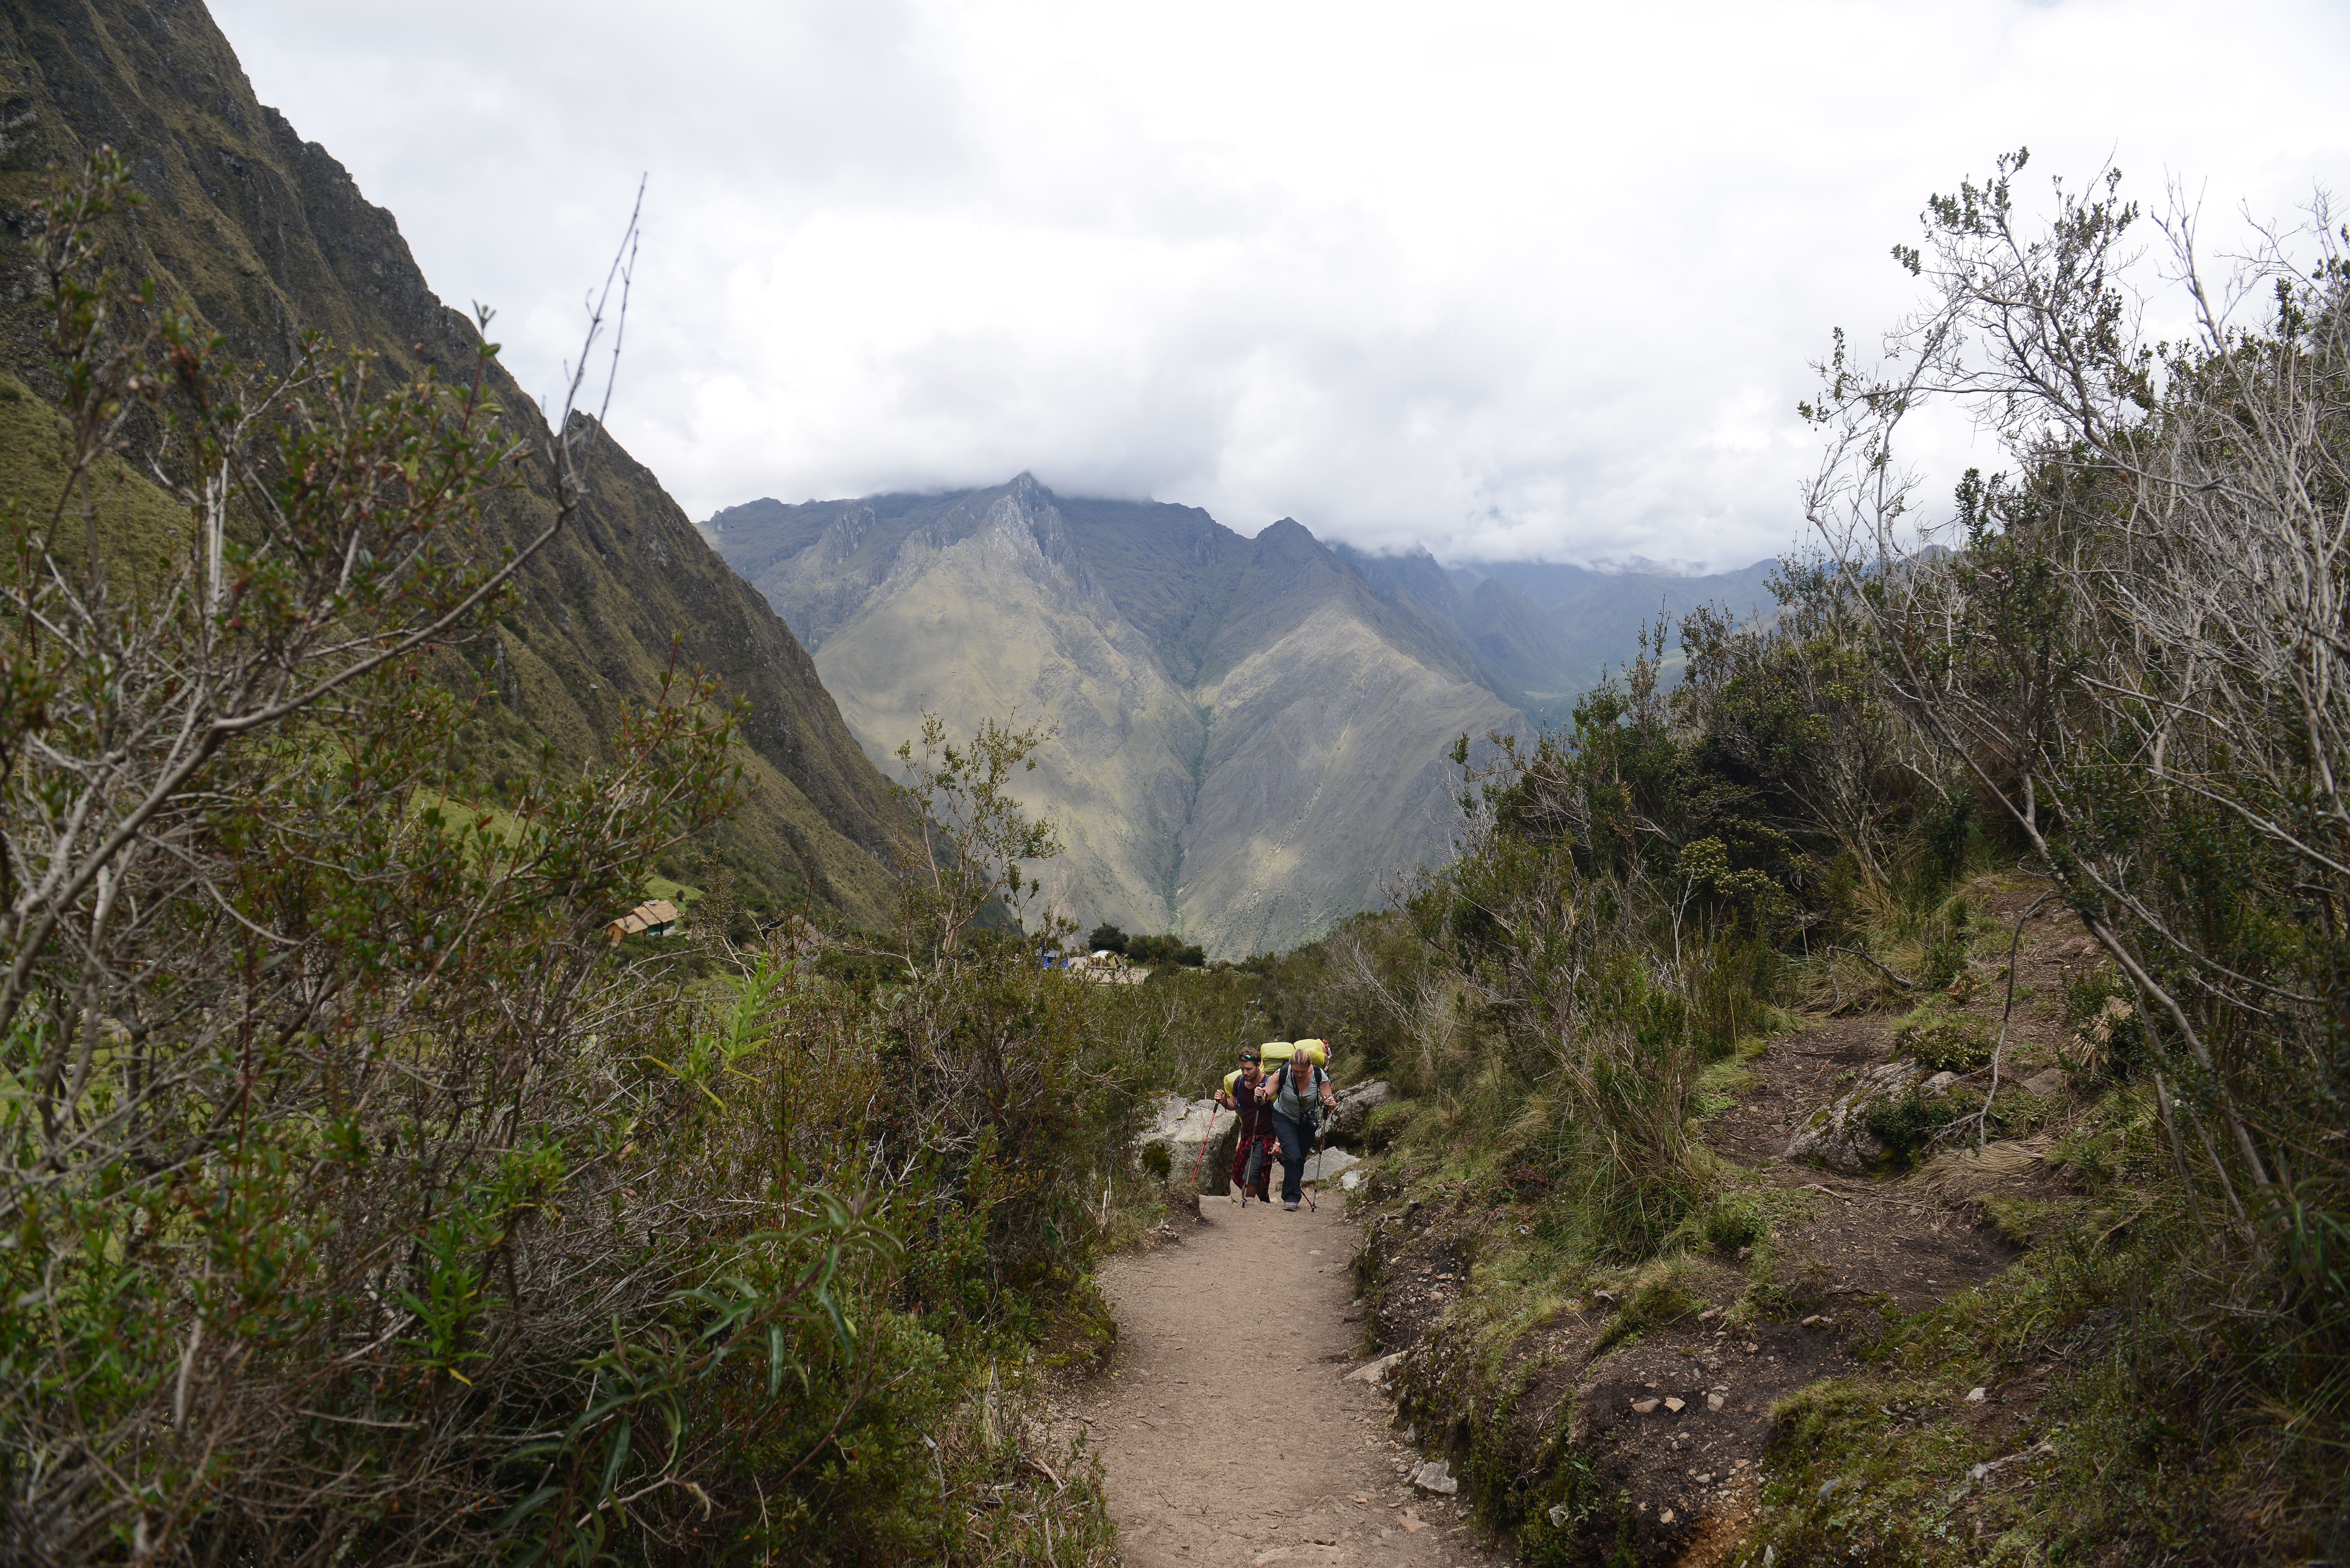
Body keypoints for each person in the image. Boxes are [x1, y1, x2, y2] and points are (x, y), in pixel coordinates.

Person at [1256, 1047, 1338, 1210]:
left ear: (1310, 1066)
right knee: (1293, 1156)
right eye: (1296, 1071)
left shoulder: (1319, 1075)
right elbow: (1265, 1098)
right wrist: (1259, 1095)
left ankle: (1288, 1190)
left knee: (1298, 1159)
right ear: (1291, 1065)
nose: (1299, 1075)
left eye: (1303, 1071)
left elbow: (1330, 1100)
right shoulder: (1283, 1074)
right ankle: (1292, 1198)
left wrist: (1331, 1104)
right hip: (1284, 1118)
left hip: (1307, 1122)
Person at [1214, 1046, 1275, 1202]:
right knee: (1239, 1174)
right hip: (1247, 1135)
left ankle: (1247, 1208)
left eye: (1249, 1069)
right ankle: (1265, 1201)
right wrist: (1223, 1102)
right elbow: (1234, 1103)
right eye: (1242, 1069)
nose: (1245, 1073)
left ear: (1259, 1065)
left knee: (1250, 1176)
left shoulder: (1269, 1084)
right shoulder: (1239, 1082)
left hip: (1265, 1137)